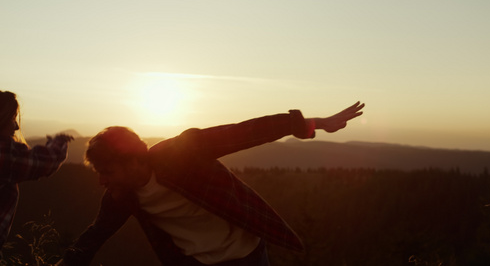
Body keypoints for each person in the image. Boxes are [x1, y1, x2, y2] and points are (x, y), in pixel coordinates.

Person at [59, 101, 365, 266]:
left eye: (107, 171)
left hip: (248, 256)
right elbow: (94, 237)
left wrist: (314, 124)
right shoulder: (120, 196)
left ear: (134, 161)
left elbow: (244, 132)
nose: (101, 180)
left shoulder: (178, 154)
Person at [0, 91, 74, 251]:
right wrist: (58, 142)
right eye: (13, 119)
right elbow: (45, 162)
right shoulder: (5, 153)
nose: (17, 126)